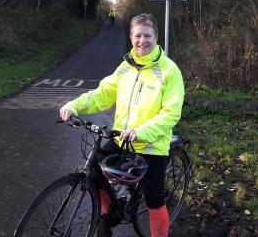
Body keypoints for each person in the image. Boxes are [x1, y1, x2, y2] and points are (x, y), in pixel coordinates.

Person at [60, 13, 184, 237]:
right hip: (122, 139)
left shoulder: (169, 70)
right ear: (131, 37)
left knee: (154, 198)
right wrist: (74, 106)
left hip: (151, 144)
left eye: (147, 35)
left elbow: (170, 113)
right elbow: (103, 94)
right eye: (138, 35)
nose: (142, 40)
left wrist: (141, 131)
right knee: (96, 175)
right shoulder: (125, 67)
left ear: (156, 37)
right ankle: (107, 218)